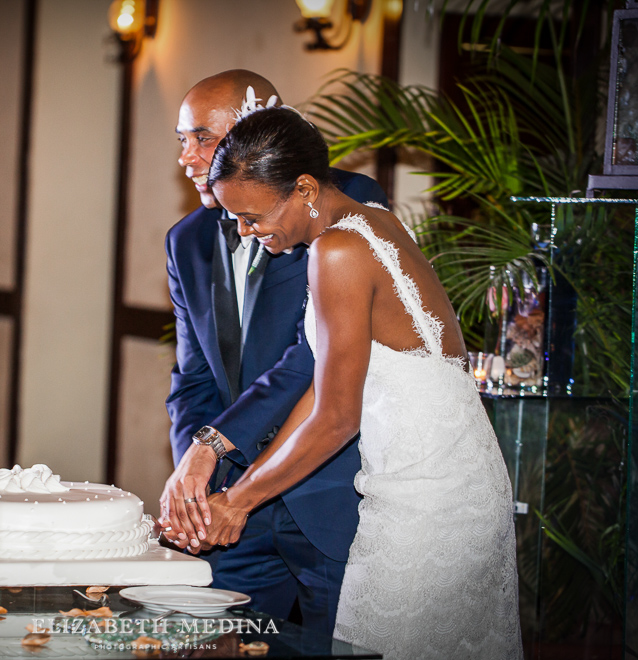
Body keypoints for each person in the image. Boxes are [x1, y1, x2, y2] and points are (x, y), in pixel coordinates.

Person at [183, 102, 523, 658]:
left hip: (424, 497)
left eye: (252, 216)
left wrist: (238, 504)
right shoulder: (371, 221)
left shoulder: (338, 251)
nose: (246, 234)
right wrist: (240, 486)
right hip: (441, 480)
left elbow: (338, 419)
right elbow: (323, 388)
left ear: (306, 189)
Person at [159, 70, 387, 631]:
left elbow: (310, 356)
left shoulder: (339, 205)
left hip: (328, 493)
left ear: (251, 131)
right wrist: (197, 476)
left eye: (201, 137)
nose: (187, 157)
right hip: (233, 503)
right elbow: (193, 378)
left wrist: (214, 443)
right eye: (180, 140)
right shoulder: (185, 240)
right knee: (202, 639)